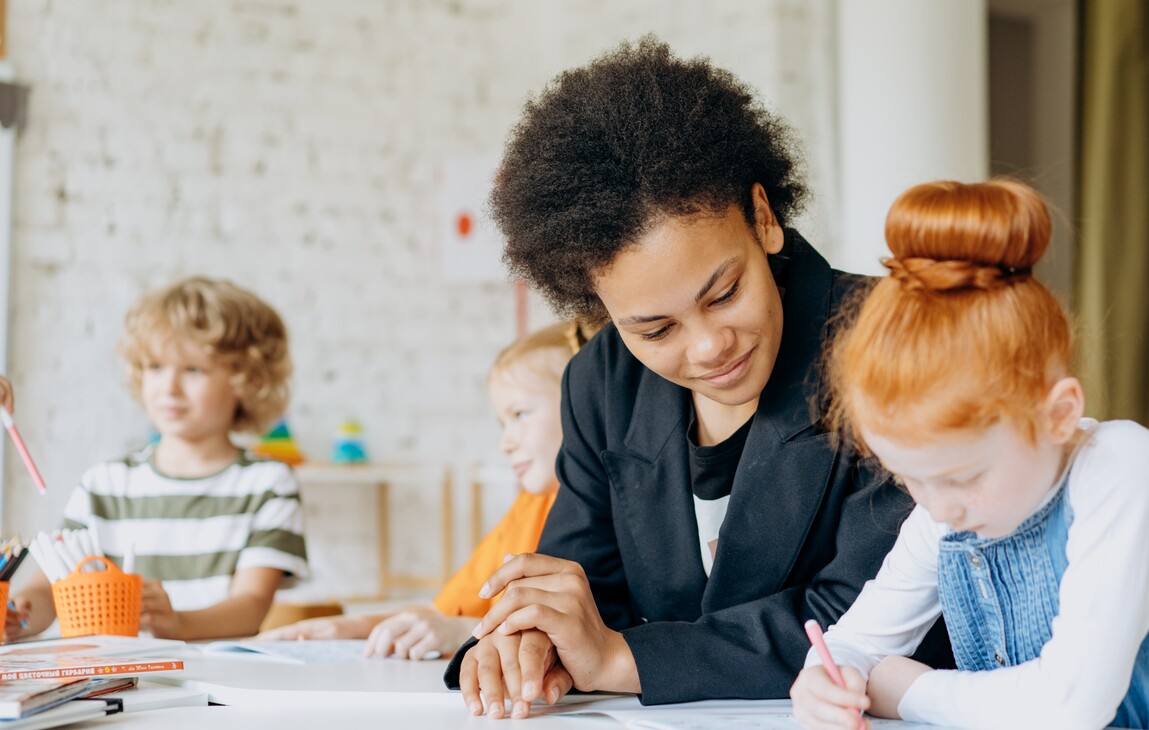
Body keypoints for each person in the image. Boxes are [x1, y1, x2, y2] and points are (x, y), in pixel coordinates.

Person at [447, 37, 953, 720]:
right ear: (603, 313)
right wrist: (529, 641)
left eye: (724, 292)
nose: (711, 346)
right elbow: (581, 587)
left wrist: (622, 659)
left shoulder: (897, 343)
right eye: (655, 330)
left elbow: (870, 615)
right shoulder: (600, 384)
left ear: (764, 218)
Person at [789, 179, 1149, 729]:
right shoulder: (945, 512)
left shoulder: (1121, 468)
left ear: (1058, 414)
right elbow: (855, 642)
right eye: (911, 480)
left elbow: (1069, 707)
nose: (937, 508)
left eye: (962, 476)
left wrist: (908, 689)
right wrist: (823, 678)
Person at [256, 321, 588, 660]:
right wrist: (348, 628)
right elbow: (447, 612)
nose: (506, 443)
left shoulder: (597, 515)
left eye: (520, 414)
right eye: (502, 424)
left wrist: (463, 634)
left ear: (585, 407)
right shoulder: (529, 506)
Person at [4, 276, 309, 642]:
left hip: (219, 686)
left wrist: (178, 624)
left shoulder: (268, 484)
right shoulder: (105, 484)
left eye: (193, 369)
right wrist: (16, 615)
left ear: (247, 379)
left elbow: (250, 605)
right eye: (155, 367)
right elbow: (49, 590)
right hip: (121, 686)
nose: (169, 387)